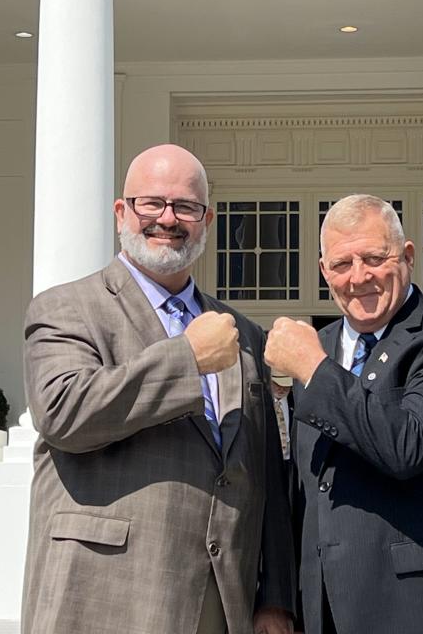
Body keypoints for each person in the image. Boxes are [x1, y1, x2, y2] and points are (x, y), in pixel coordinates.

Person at [20, 144, 295, 634]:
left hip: (220, 600)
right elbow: (63, 413)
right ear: (122, 212)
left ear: (205, 220)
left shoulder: (242, 334)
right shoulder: (66, 308)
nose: (168, 219)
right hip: (103, 592)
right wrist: (187, 359)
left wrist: (275, 597)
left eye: (186, 207)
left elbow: (264, 473)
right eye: (152, 203)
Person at [265, 194, 423, 634]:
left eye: (374, 258)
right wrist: (280, 599)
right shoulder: (317, 350)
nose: (358, 277)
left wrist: (312, 370)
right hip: (325, 611)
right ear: (324, 271)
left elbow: (406, 445)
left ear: (408, 256)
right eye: (341, 264)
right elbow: (300, 491)